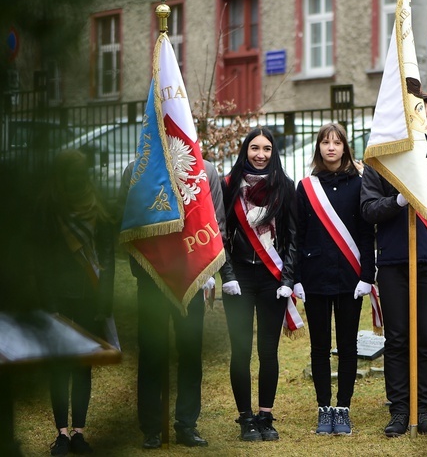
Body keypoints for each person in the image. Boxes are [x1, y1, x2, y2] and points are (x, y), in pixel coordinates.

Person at [361, 100, 427, 437]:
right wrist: (397, 201)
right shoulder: (380, 163)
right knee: (396, 339)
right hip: (393, 262)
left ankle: (423, 409)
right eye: (419, 114)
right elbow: (367, 209)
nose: (425, 120)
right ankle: (399, 411)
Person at [121, 158, 227, 449]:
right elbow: (126, 225)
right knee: (152, 352)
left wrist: (206, 270)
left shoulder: (206, 170)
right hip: (151, 279)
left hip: (191, 278)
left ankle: (186, 424)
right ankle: (151, 428)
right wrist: (143, 270)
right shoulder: (137, 170)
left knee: (190, 352)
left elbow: (217, 223)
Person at [296, 123, 375, 435]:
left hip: (350, 277)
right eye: (325, 142)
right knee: (319, 346)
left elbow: (368, 234)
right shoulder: (306, 187)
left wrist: (367, 275)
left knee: (347, 345)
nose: (331, 147)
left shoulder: (360, 184)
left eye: (337, 142)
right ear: (319, 148)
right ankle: (323, 407)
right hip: (315, 278)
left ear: (345, 147)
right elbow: (298, 235)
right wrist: (298, 277)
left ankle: (343, 407)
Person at [221, 127, 298, 442]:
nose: (261, 154)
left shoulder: (285, 186)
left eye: (267, 149)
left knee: (269, 350)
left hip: (272, 279)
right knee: (240, 351)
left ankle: (265, 416)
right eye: (255, 148)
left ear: (273, 152)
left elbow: (293, 236)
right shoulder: (229, 186)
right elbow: (220, 233)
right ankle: (245, 419)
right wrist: (227, 275)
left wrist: (288, 278)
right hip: (239, 277)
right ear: (245, 150)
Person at [37, 149, 115, 456]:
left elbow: (107, 255)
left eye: (81, 171)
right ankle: (61, 434)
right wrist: (48, 301)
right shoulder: (48, 208)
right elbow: (40, 260)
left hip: (90, 296)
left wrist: (105, 298)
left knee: (83, 366)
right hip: (58, 298)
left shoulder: (97, 206)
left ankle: (79, 432)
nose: (77, 177)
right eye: (71, 171)